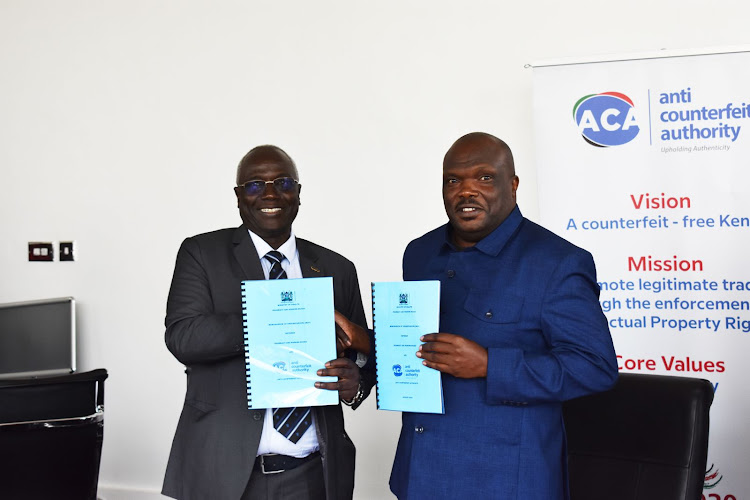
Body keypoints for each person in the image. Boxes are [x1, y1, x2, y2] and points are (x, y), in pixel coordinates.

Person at [337, 132, 618, 499]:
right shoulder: (420, 253)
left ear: (513, 185)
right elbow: (423, 349)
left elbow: (595, 366)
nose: (466, 191)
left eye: (484, 177)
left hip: (505, 481)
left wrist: (489, 364)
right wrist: (365, 346)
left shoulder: (557, 262)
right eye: (453, 180)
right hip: (420, 473)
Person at [162, 145, 373, 500]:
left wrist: (356, 382)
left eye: (283, 182)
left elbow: (362, 357)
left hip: (313, 474)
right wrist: (273, 318)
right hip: (224, 473)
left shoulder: (337, 268)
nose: (271, 194)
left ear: (299, 193)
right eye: (255, 185)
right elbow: (183, 338)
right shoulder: (201, 253)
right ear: (239, 197)